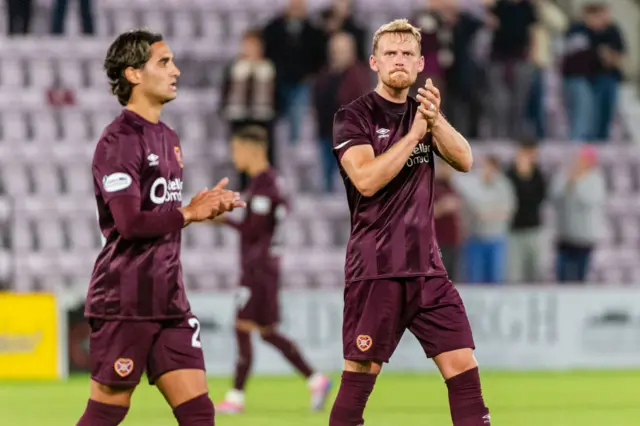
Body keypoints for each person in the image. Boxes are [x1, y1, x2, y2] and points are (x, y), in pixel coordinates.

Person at [75, 29, 245, 426]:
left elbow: (164, 214)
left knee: (200, 413)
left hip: (169, 299)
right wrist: (190, 212)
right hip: (125, 300)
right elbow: (130, 224)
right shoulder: (118, 141)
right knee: (106, 412)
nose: (176, 71)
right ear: (134, 74)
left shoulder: (168, 138)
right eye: (164, 62)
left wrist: (200, 210)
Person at [330, 19, 490, 426]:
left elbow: (466, 159)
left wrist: (433, 121)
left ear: (420, 65)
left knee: (463, 365)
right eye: (390, 54)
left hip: (428, 269)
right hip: (376, 268)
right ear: (374, 62)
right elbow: (365, 180)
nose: (398, 60)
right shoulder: (353, 116)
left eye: (406, 54)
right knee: (360, 374)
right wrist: (416, 131)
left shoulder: (425, 117)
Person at [213, 125, 332, 414]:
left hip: (258, 267)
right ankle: (315, 380)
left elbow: (253, 230)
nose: (234, 156)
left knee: (242, 326)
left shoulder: (265, 185)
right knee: (267, 332)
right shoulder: (268, 183)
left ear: (251, 149)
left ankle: (235, 398)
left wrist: (220, 220)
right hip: (267, 266)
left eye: (237, 150)